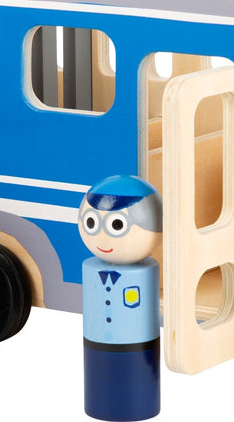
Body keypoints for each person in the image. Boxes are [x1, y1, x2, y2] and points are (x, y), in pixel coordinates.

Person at [79, 175, 162, 421]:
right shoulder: (90, 267)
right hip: (96, 343)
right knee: (100, 388)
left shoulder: (145, 270)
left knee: (138, 391)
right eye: (92, 223)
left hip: (139, 347)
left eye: (116, 225)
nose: (102, 238)